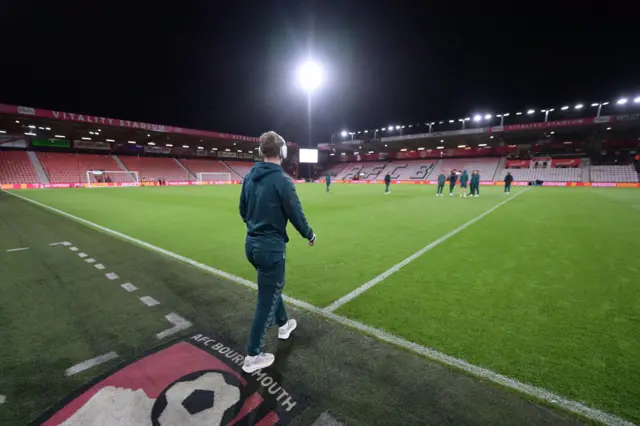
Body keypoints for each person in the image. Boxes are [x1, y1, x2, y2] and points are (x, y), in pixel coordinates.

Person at [239, 131, 317, 373]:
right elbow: (296, 214)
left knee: (272, 287)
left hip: (251, 245)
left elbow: (243, 210)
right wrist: (309, 234)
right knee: (265, 301)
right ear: (282, 152)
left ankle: (284, 325)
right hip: (270, 249)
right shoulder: (283, 181)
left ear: (262, 152)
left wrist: (256, 226)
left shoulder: (250, 175)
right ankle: (252, 355)